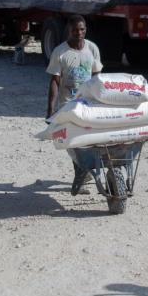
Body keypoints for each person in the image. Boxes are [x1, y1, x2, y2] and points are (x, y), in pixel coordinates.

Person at [46, 15, 103, 195]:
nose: (79, 33)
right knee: (70, 141)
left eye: (82, 29)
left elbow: (97, 78)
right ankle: (82, 170)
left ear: (85, 29)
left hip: (88, 104)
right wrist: (50, 108)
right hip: (67, 104)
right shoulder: (60, 52)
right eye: (75, 30)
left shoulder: (92, 49)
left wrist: (100, 101)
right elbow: (55, 81)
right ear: (68, 31)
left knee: (87, 140)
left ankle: (83, 172)